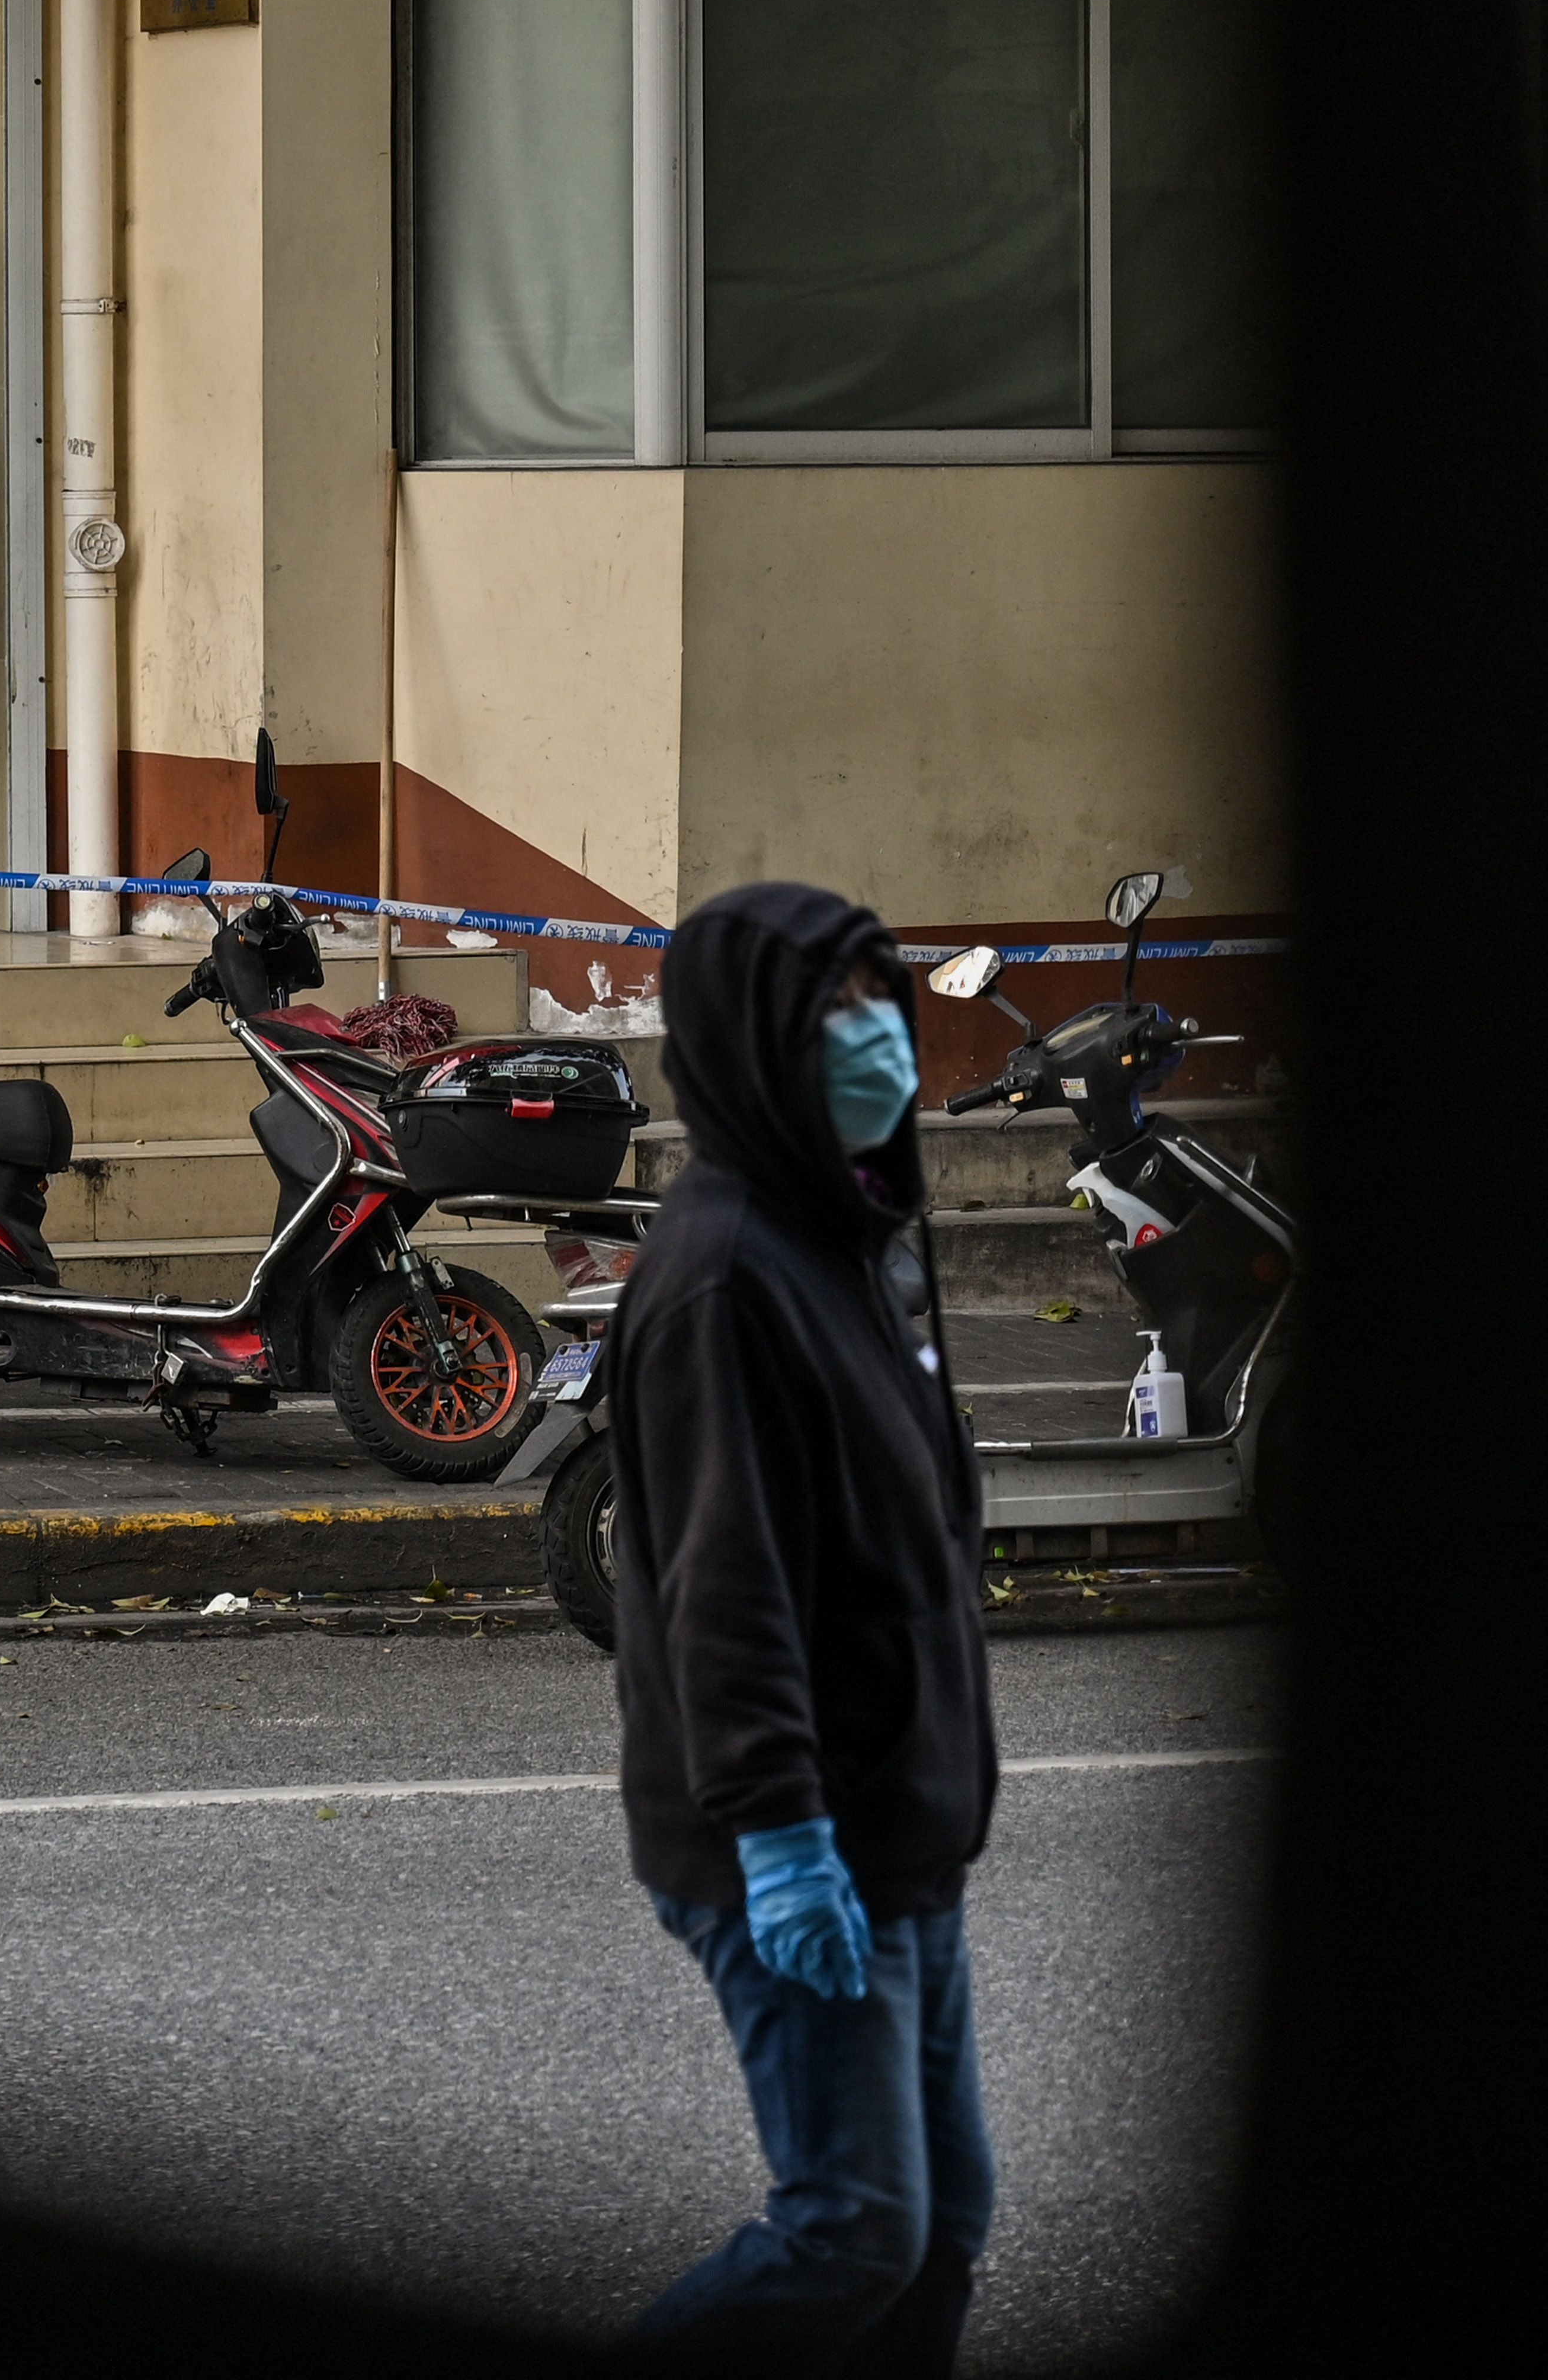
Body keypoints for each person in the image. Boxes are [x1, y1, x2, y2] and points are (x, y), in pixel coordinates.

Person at [604, 882, 998, 2376]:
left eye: (880, 998)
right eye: (836, 1011)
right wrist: (781, 1832)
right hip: (802, 1834)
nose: (878, 1036)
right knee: (853, 2226)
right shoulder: (720, 1277)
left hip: (903, 1818)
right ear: (754, 1040)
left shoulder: (861, 1226)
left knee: (941, 2216)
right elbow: (728, 1584)